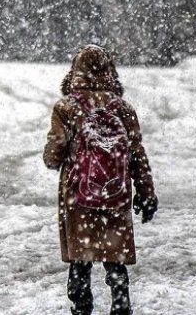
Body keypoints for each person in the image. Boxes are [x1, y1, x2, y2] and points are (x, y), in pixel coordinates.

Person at [43, 45, 158, 315]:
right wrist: (146, 192)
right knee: (113, 255)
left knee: (80, 258)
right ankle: (120, 304)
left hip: (78, 194)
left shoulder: (66, 107)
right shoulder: (123, 109)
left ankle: (81, 307)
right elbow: (137, 155)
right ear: (110, 72)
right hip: (115, 196)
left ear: (75, 72)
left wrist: (58, 153)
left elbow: (53, 155)